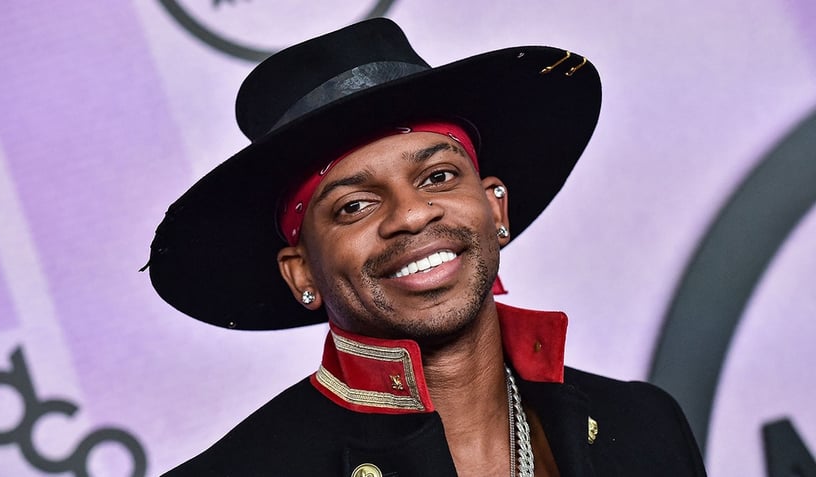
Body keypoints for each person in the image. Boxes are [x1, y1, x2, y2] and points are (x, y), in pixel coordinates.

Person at [146, 17, 706, 477]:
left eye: (438, 177)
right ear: (301, 274)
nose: (412, 214)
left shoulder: (645, 424)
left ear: (495, 208)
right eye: (354, 206)